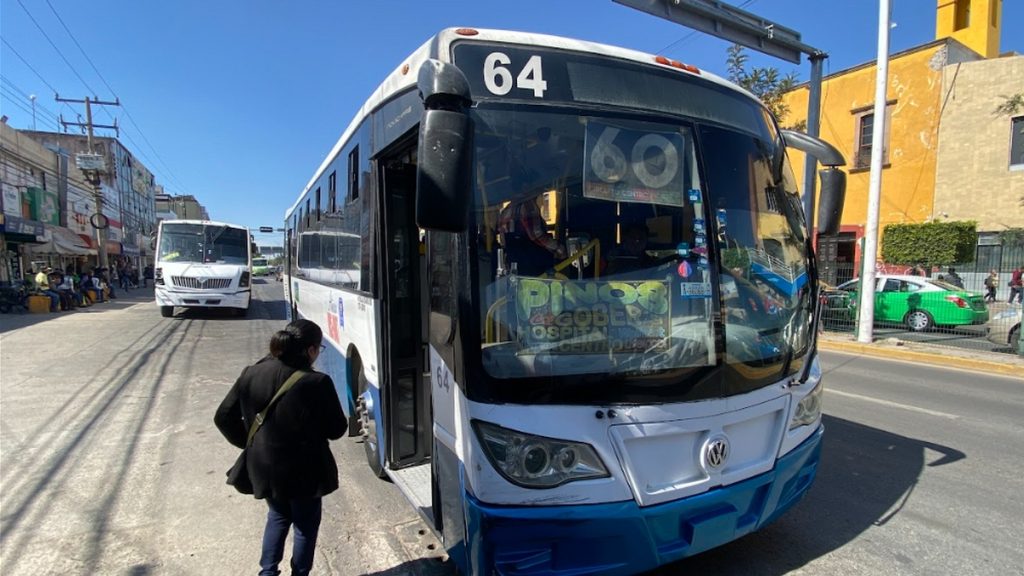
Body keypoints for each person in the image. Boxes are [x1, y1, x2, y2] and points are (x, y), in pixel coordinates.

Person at [214, 319, 347, 576]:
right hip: (305, 471)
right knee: (305, 526)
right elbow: (337, 430)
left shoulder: (251, 373)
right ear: (310, 350)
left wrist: (251, 442)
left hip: (264, 467)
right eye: (319, 348)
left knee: (278, 516)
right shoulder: (316, 382)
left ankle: (267, 571)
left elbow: (223, 417)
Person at [497, 194, 566, 276]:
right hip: (534, 268)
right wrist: (560, 250)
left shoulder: (505, 210)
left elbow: (503, 241)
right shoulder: (528, 206)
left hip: (515, 268)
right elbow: (537, 236)